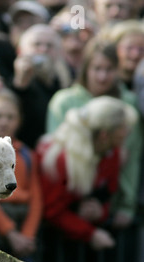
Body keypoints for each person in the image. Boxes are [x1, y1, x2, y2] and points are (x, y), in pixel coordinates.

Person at [46, 38, 141, 230]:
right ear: (85, 69)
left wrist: (127, 207)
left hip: (111, 205)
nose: (102, 76)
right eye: (96, 68)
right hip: (67, 203)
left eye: (109, 69)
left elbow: (132, 159)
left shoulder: (129, 104)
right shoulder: (64, 102)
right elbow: (54, 157)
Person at [36, 96, 137, 262]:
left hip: (84, 247)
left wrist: (100, 211)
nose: (128, 131)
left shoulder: (112, 154)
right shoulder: (59, 160)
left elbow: (108, 194)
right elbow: (52, 211)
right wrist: (90, 233)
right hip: (55, 248)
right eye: (123, 127)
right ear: (105, 135)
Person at [0, 88, 42, 262]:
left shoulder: (27, 154)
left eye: (10, 117)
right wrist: (10, 233)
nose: (4, 122)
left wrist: (27, 235)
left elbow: (36, 198)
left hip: (23, 230)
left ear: (19, 120)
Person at [8, 23, 71, 148]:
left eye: (49, 45)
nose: (43, 50)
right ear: (21, 50)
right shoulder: (14, 83)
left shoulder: (65, 85)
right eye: (36, 44)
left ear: (59, 52)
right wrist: (21, 82)